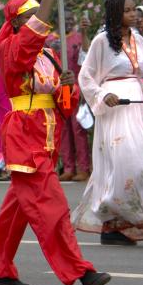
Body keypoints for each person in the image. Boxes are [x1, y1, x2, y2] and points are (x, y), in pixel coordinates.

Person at [0, 0, 110, 285]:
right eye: (28, 18)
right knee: (50, 207)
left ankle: (0, 266)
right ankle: (81, 271)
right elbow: (28, 42)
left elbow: (64, 108)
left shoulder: (50, 57)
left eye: (37, 16)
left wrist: (68, 87)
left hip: (46, 135)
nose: (35, 24)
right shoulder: (11, 49)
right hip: (24, 135)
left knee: (18, 207)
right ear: (15, 24)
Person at [72, 0, 143, 244]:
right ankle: (122, 222)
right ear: (114, 14)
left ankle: (127, 225)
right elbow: (86, 77)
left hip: (135, 110)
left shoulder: (140, 40)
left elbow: (140, 80)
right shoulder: (101, 41)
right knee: (125, 165)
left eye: (135, 10)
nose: (133, 15)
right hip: (114, 110)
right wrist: (103, 94)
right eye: (127, 11)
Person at [52, 11, 90, 182]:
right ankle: (68, 167)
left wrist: (84, 33)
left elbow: (85, 59)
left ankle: (83, 168)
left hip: (75, 89)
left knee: (78, 128)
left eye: (69, 19)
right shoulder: (51, 41)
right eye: (63, 19)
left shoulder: (78, 38)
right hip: (61, 91)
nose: (67, 22)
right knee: (65, 128)